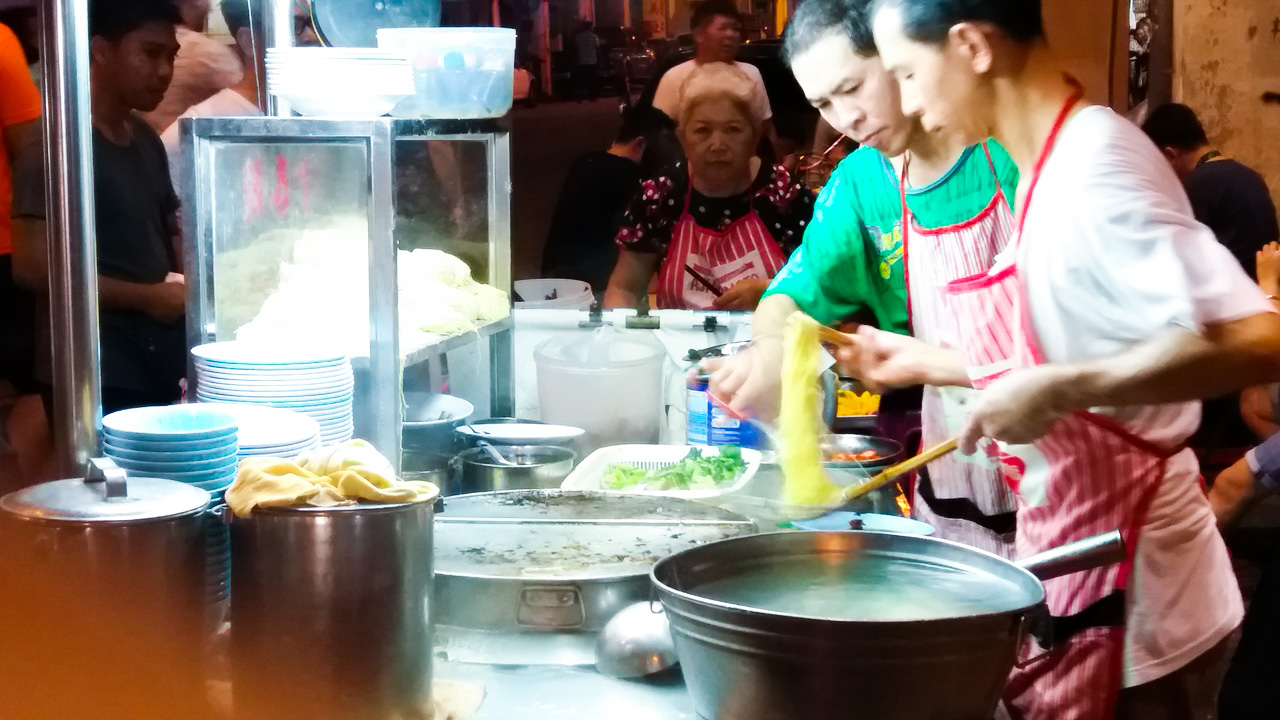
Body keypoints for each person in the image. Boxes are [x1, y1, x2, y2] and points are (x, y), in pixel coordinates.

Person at [860, 0, 1280, 716]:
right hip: (1085, 562)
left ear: (971, 47)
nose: (903, 99)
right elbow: (1088, 346)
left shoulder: (1096, 164)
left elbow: (1259, 335)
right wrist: (930, 363)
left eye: (907, 70)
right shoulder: (1043, 167)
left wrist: (1062, 387)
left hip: (1151, 603)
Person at [704, 0, 1020, 557]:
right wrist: (767, 352)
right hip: (947, 449)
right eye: (824, 103)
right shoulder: (859, 182)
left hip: (1052, 441)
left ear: (902, 58)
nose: (845, 117)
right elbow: (788, 299)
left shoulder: (1014, 155)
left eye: (852, 87)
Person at [12, 0, 188, 415]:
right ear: (100, 49)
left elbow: (168, 231)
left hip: (154, 357)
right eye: (149, 53)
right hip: (92, 365)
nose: (164, 70)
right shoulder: (56, 143)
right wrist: (148, 298)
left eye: (171, 56)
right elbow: (33, 267)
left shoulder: (145, 137)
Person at [602, 62, 813, 311]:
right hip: (679, 346)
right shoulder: (659, 196)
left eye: (733, 129)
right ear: (682, 138)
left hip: (768, 341)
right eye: (702, 130)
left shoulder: (785, 195)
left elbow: (826, 285)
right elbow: (624, 288)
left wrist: (773, 291)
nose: (717, 144)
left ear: (755, 136)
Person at [541, 105, 674, 293]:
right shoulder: (627, 176)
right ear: (640, 144)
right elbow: (636, 247)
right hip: (593, 289)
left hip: (553, 280)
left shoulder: (586, 161)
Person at [1142, 103, 1279, 279]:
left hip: (1235, 296)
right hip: (1263, 289)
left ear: (1170, 155)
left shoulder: (1200, 184)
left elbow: (1175, 256)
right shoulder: (1246, 174)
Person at [651, 0, 782, 159]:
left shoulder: (750, 73)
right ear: (699, 34)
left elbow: (767, 130)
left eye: (735, 29)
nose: (730, 35)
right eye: (722, 28)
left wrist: (782, 164)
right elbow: (659, 139)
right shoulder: (674, 78)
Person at [139, 0, 241, 133]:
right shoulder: (208, 54)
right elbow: (248, 102)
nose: (209, 6)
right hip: (185, 149)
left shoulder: (142, 45)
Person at [571, 21, 600, 102]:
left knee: (582, 79)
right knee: (592, 79)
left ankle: (580, 96)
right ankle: (592, 97)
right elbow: (597, 49)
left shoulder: (579, 37)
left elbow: (576, 49)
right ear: (590, 27)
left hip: (582, 61)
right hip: (592, 61)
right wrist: (599, 60)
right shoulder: (594, 37)